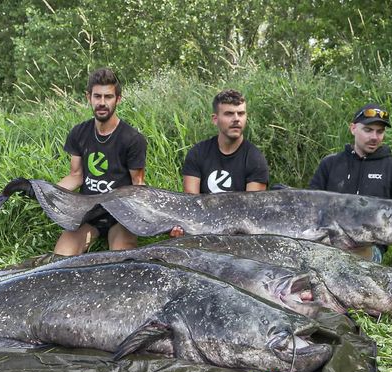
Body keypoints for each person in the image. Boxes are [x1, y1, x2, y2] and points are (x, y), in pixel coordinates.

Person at [309, 103, 392, 262]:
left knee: (347, 260)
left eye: (380, 131)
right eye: (368, 130)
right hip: (324, 242)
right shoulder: (330, 163)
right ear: (353, 128)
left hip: (366, 249)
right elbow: (310, 205)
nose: (375, 137)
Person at [54, 68, 147, 256]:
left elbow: (138, 184)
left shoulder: (133, 139)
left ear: (118, 99)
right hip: (88, 212)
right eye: (97, 96)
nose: (102, 103)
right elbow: (75, 176)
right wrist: (46, 193)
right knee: (60, 259)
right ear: (89, 97)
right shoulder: (79, 133)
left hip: (121, 214)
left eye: (108, 97)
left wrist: (145, 219)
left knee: (123, 262)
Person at [170, 89, 269, 237]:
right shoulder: (197, 153)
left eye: (241, 113)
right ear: (215, 119)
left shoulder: (256, 159)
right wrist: (183, 230)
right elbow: (191, 205)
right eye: (229, 114)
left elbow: (252, 213)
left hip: (240, 236)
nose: (236, 119)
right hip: (202, 230)